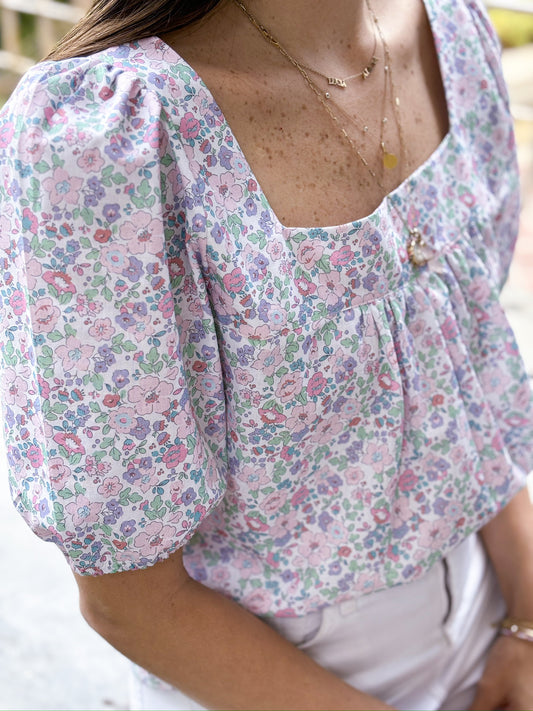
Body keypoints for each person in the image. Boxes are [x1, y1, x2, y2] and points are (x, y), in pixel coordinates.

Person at [1, 0, 533, 708]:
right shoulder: (104, 133)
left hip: (490, 607)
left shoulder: (448, 29)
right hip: (261, 677)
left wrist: (524, 622)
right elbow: (131, 599)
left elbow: (462, 374)